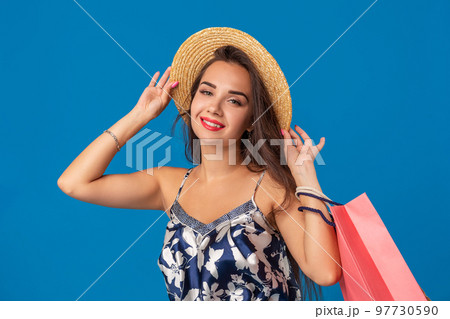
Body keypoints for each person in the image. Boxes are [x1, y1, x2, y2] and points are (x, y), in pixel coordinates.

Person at [57, 27, 341, 301]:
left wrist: (306, 180)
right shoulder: (170, 186)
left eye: (234, 100)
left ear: (251, 120)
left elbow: (325, 272)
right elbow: (74, 183)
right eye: (207, 92)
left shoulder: (270, 188)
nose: (214, 108)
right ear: (192, 100)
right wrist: (139, 116)